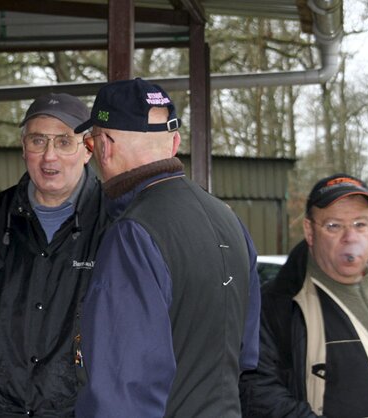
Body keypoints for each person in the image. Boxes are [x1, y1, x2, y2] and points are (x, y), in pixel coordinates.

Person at [72, 78, 261, 418]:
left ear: (105, 146)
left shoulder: (133, 235)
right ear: (174, 143)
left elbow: (121, 390)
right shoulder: (230, 222)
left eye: (91, 142)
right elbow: (245, 353)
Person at [0, 93, 108, 418]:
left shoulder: (115, 222)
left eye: (64, 142)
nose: (49, 156)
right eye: (37, 141)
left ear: (88, 148)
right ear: (23, 148)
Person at [239, 173, 368, 417]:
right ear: (309, 231)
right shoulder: (276, 308)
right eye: (334, 226)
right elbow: (257, 392)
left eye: (360, 224)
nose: (351, 238)